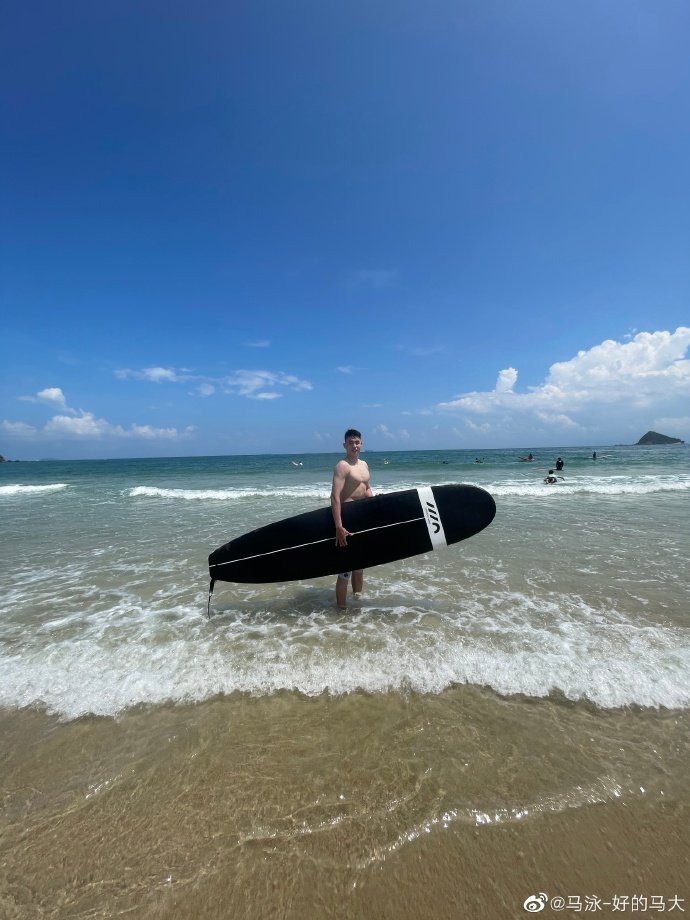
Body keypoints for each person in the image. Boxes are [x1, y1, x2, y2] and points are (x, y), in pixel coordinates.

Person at [331, 428, 373, 608]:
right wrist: (338, 526)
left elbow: (366, 487)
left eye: (357, 442)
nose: (354, 446)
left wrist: (378, 503)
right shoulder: (342, 466)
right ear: (344, 445)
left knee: (360, 566)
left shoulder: (364, 465)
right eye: (351, 443)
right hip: (348, 518)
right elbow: (334, 496)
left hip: (363, 517)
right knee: (346, 568)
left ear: (361, 444)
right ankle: (341, 609)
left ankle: (357, 601)